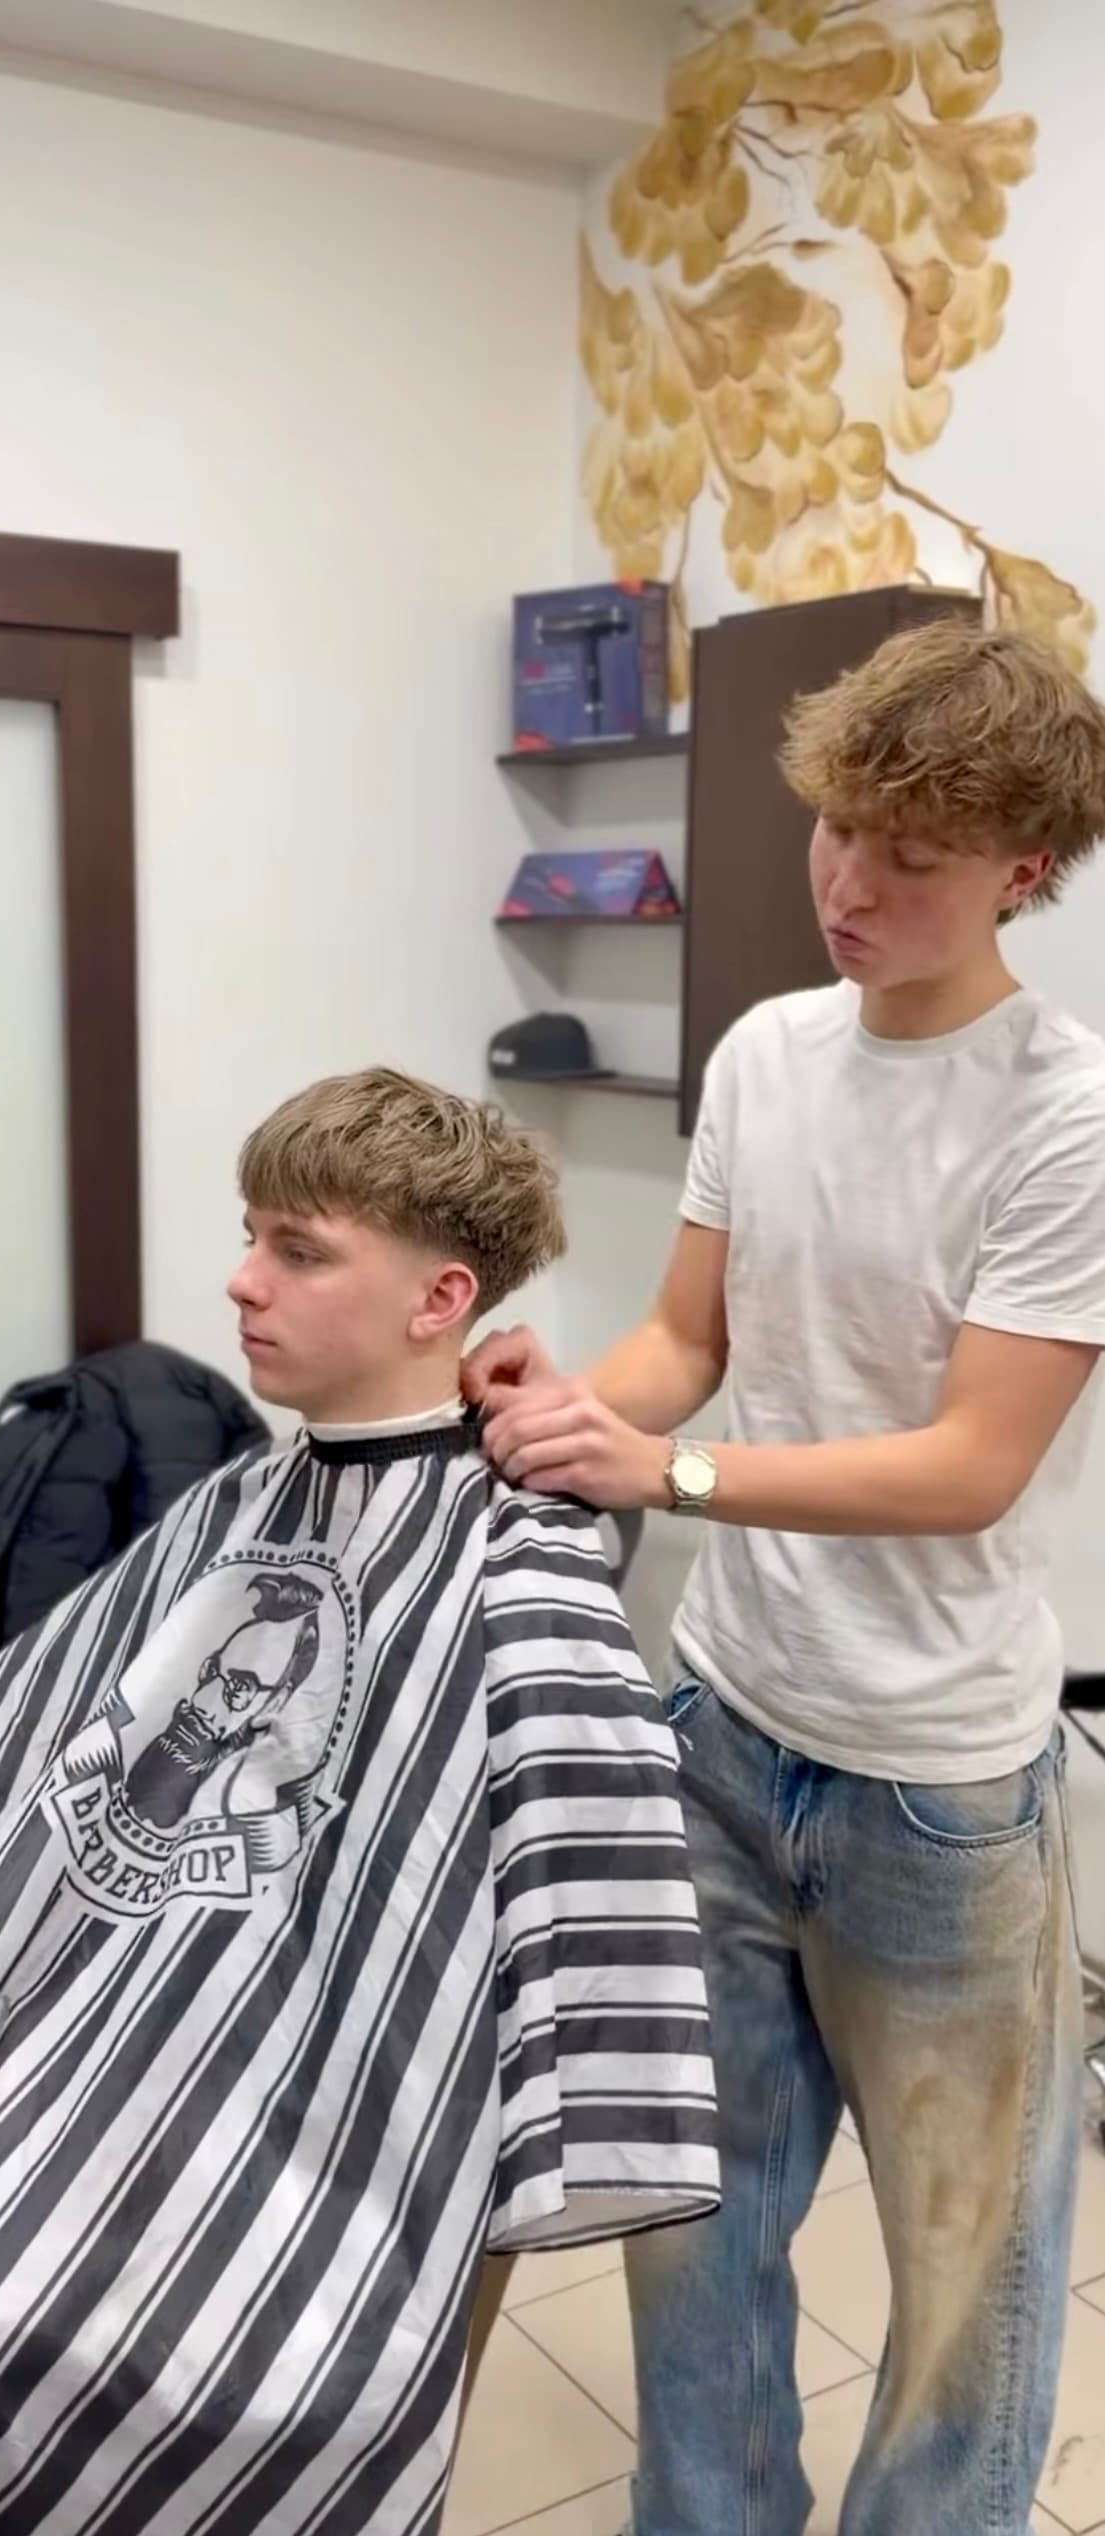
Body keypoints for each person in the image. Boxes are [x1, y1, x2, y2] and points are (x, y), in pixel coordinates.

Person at [0, 1066, 717, 2536]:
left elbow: (577, 1941)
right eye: (251, 1234)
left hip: (300, 2123)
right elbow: (6, 1774)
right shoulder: (241, 1501)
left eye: (298, 1251)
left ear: (439, 1300)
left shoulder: (523, 1569)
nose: (239, 1283)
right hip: (104, 2037)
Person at [464, 620, 1105, 2536]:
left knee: (958, 2308)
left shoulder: (1065, 1115)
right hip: (719, 1740)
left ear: (1024, 870)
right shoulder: (763, 1052)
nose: (848, 881)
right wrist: (573, 1412)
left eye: (909, 853)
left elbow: (967, 1464)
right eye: (836, 830)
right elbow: (686, 1341)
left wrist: (668, 1468)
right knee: (692, 2234)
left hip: (935, 1789)